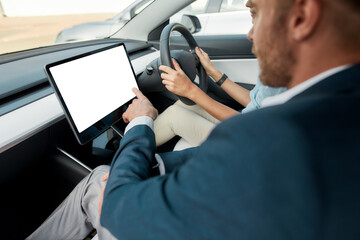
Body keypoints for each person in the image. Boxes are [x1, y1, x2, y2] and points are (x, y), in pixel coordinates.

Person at [27, 0, 360, 239]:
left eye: (255, 13)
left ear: (301, 16)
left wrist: (140, 125)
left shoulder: (275, 137)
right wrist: (155, 166)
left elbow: (118, 210)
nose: (250, 35)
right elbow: (222, 163)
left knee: (100, 178)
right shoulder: (336, 108)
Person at [154, 47, 286, 147]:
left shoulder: (281, 67)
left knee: (174, 116)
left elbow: (250, 126)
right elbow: (254, 101)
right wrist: (214, 72)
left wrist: (190, 90)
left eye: (254, 13)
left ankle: (135, 147)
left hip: (252, 144)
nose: (250, 33)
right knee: (185, 105)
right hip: (251, 129)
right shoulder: (277, 58)